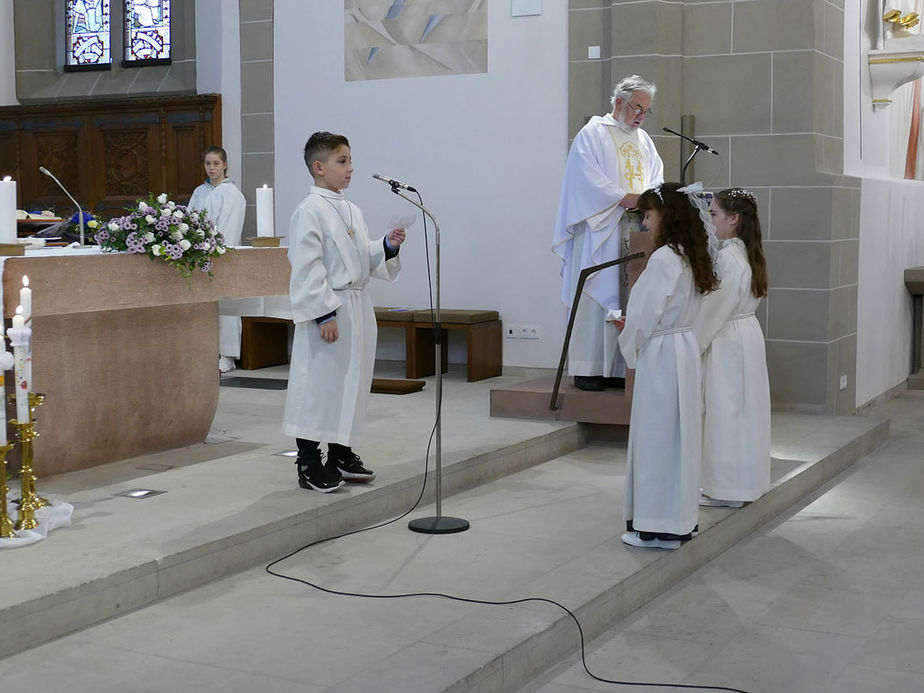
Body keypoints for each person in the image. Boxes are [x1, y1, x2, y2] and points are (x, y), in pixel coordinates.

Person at [282, 131, 406, 493]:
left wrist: (386, 246)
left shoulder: (351, 208)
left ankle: (340, 452)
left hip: (357, 305)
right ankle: (308, 462)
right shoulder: (308, 210)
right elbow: (307, 265)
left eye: (350, 160)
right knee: (320, 386)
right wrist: (324, 314)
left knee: (351, 383)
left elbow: (358, 257)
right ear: (319, 167)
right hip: (330, 309)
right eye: (343, 161)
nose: (351, 168)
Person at [615, 182, 719, 549]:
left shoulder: (663, 259)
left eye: (648, 214)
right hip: (684, 349)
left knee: (657, 439)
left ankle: (656, 527)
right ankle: (678, 520)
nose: (645, 222)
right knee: (680, 438)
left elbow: (644, 315)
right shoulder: (691, 256)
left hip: (662, 355)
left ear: (668, 214)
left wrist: (627, 336)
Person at [553, 75, 664, 391]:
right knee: (598, 291)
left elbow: (656, 175)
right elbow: (585, 178)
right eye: (637, 107)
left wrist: (648, 202)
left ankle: (619, 368)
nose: (641, 116)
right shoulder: (592, 134)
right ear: (618, 102)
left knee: (629, 295)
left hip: (635, 228)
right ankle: (588, 368)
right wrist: (624, 198)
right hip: (600, 228)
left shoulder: (644, 141)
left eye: (646, 110)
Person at [695, 188, 771, 508]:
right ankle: (744, 484)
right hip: (747, 334)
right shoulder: (749, 252)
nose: (709, 221)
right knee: (744, 412)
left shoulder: (727, 257)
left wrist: (692, 343)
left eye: (713, 214)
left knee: (726, 411)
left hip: (728, 338)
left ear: (734, 219)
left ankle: (726, 488)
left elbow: (716, 307)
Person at [188, 146, 247, 373]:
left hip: (222, 256)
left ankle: (228, 355)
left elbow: (228, 229)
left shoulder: (233, 195)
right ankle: (205, 350)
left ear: (225, 165)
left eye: (216, 163)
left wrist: (214, 249)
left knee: (226, 304)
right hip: (198, 256)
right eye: (207, 164)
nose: (211, 168)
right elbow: (189, 220)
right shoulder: (199, 192)